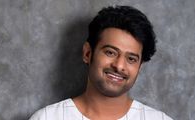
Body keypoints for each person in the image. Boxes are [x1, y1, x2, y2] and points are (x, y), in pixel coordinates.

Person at [29, 5, 173, 120]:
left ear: (140, 66)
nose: (119, 66)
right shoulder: (47, 118)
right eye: (110, 52)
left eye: (131, 59)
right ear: (87, 53)